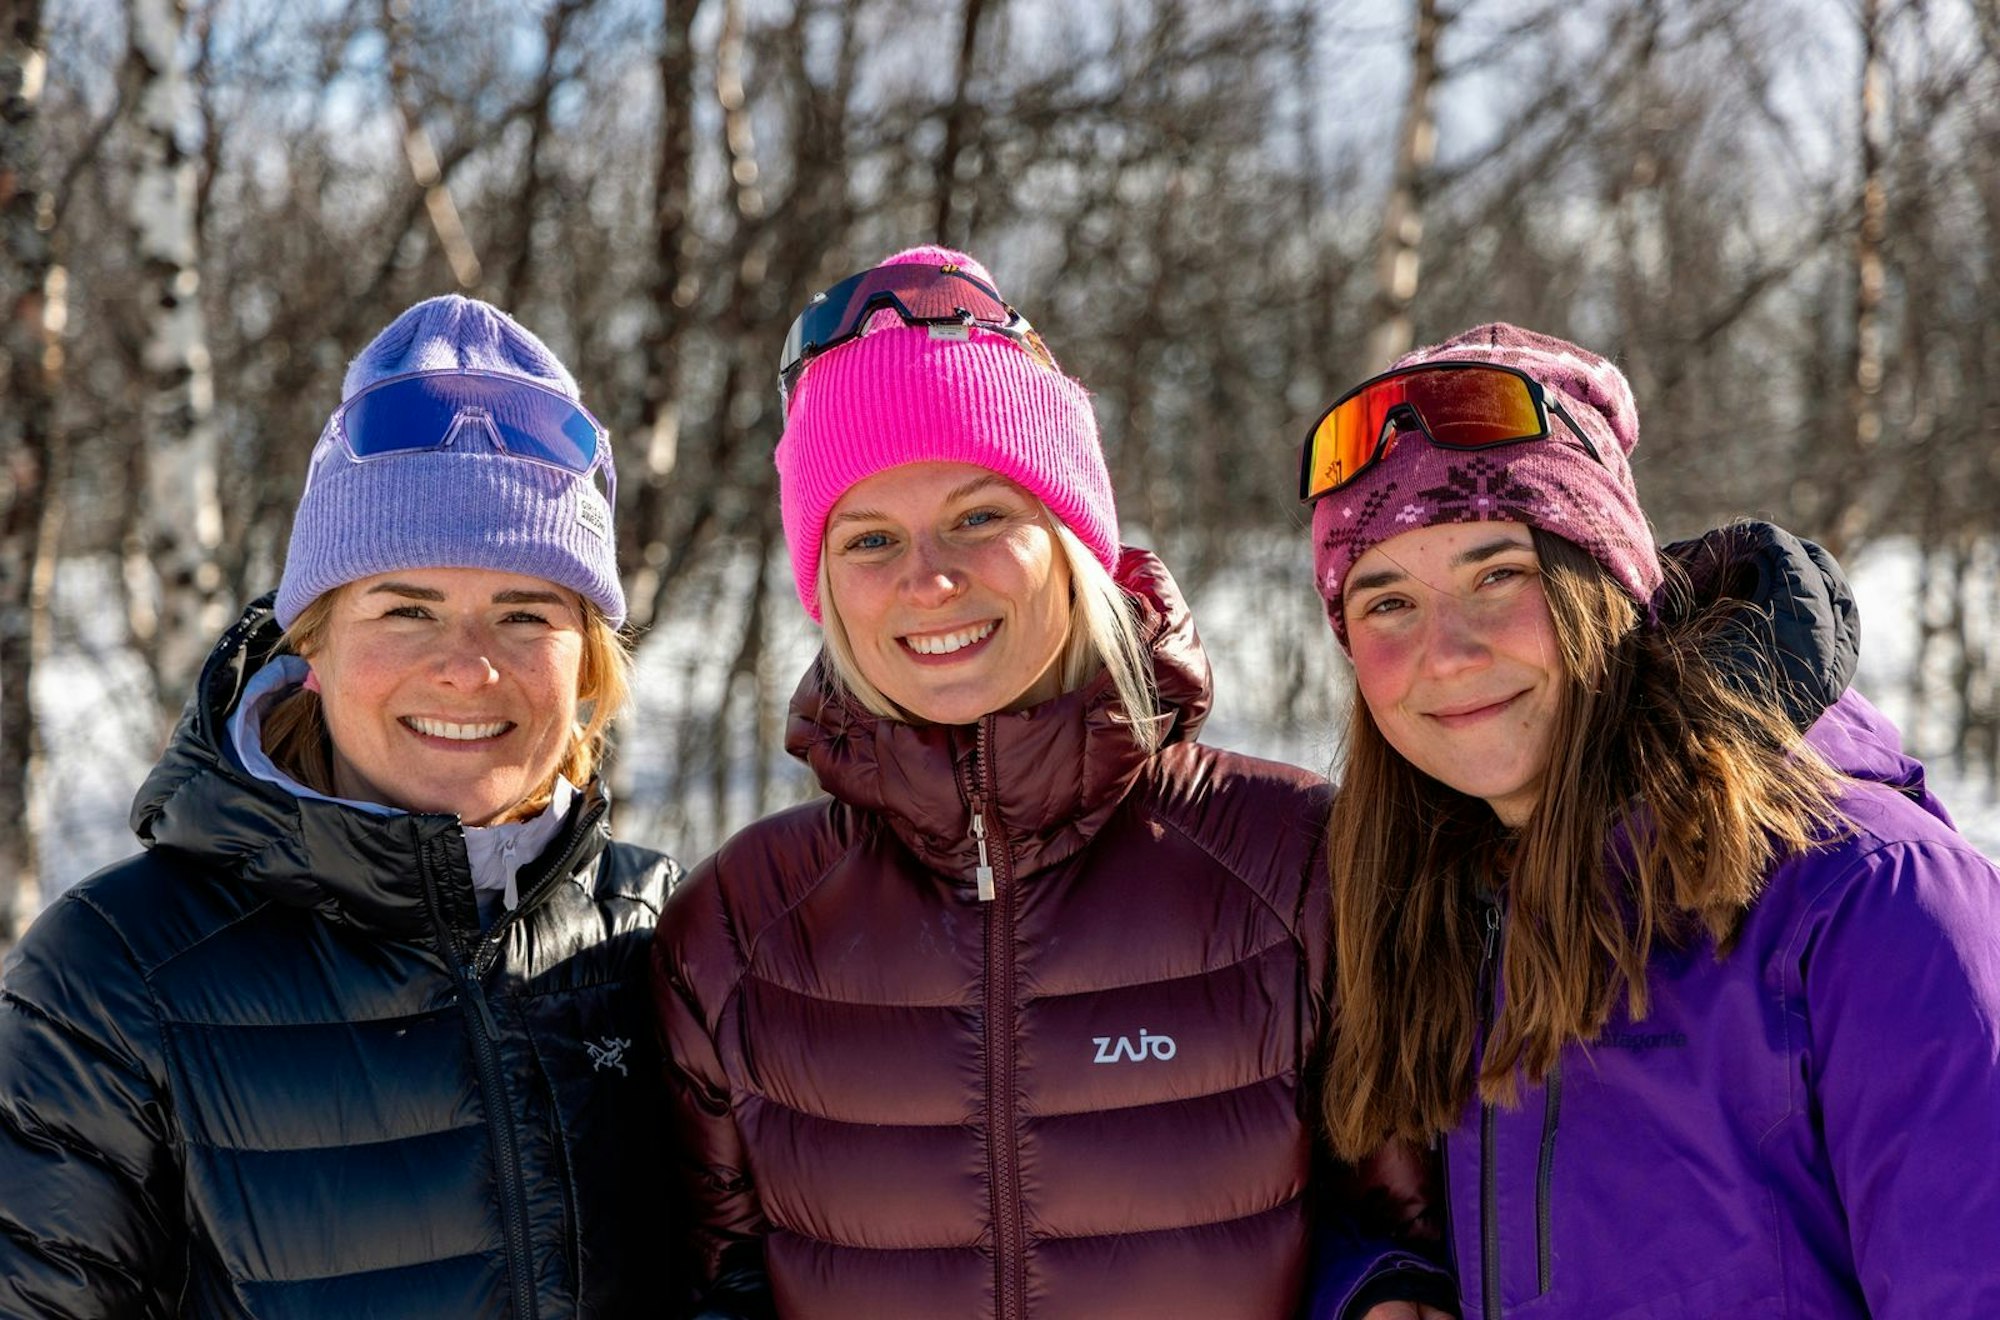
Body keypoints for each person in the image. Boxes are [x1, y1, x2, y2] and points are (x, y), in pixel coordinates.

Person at [652, 247, 1443, 1319]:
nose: (928, 578)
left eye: (980, 517)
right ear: (822, 584)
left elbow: (1408, 1235)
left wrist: (1376, 1297)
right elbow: (720, 1286)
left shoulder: (1298, 864)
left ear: (1071, 540)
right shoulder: (736, 928)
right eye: (870, 537)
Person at [1300, 323, 2000, 1318]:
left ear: (1606, 590)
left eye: (1499, 574)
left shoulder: (1867, 901)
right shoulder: (1414, 906)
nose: (1443, 651)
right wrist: (1374, 1288)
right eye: (1385, 602)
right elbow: (1340, 1205)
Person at [0, 296, 680, 1317]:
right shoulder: (114, 975)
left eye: (525, 611)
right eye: (405, 610)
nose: (466, 668)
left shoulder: (660, 938)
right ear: (309, 642)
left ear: (587, 657)